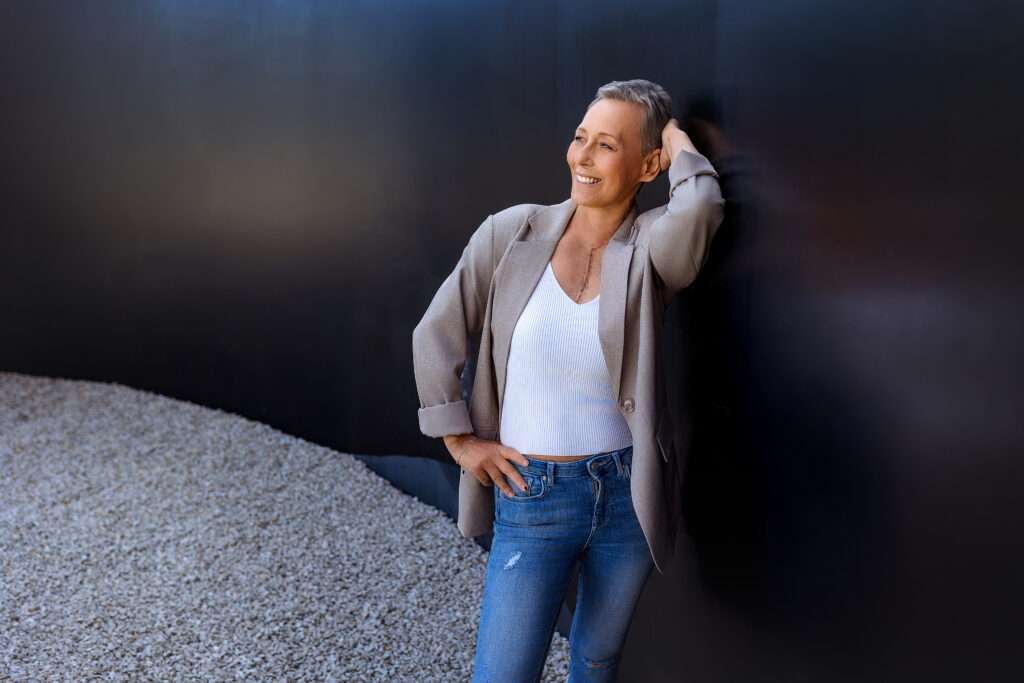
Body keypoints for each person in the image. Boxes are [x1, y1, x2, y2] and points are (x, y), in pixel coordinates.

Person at [412, 79, 724, 682]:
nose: (581, 156)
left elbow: (703, 208)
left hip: (626, 497)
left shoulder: (652, 248)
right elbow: (435, 331)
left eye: (607, 144)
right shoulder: (511, 233)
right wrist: (458, 440)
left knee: (596, 661)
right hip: (532, 494)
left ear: (648, 164)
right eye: (580, 137)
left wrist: (678, 141)